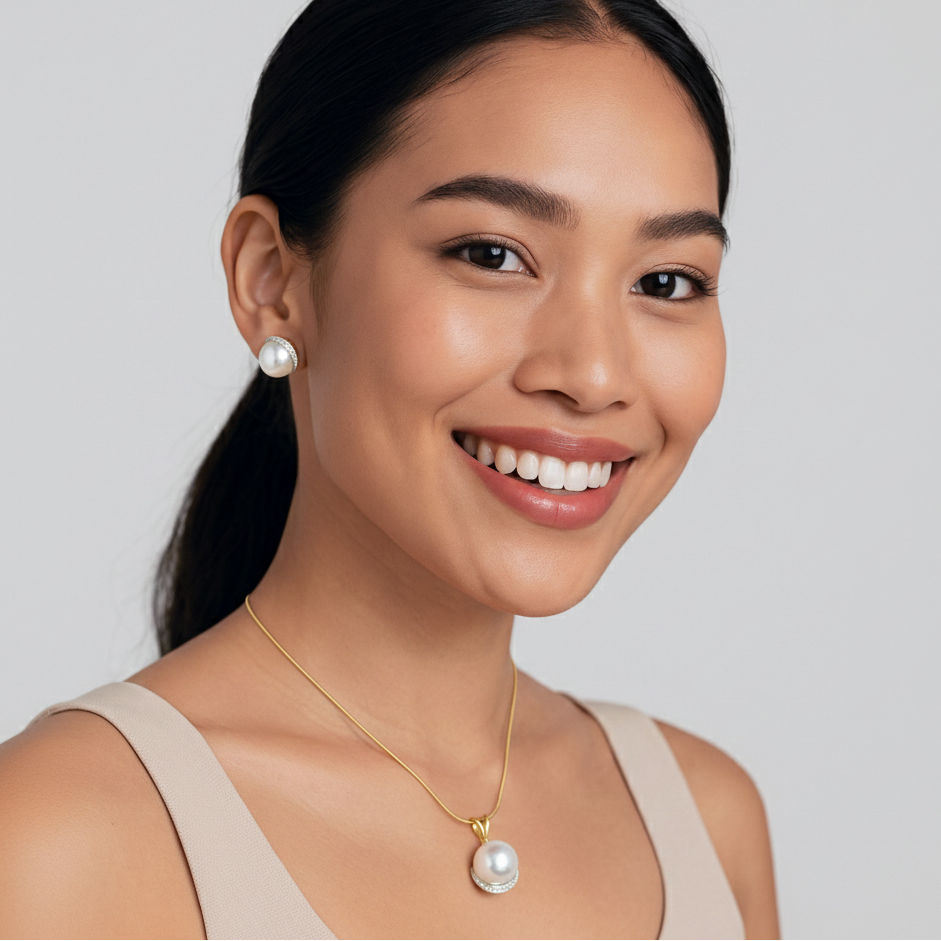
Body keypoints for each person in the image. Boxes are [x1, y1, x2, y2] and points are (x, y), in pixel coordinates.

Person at [0, 1, 779, 937]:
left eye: (665, 281)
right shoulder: (52, 837)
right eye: (492, 254)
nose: (594, 374)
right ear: (271, 280)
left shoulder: (704, 818)